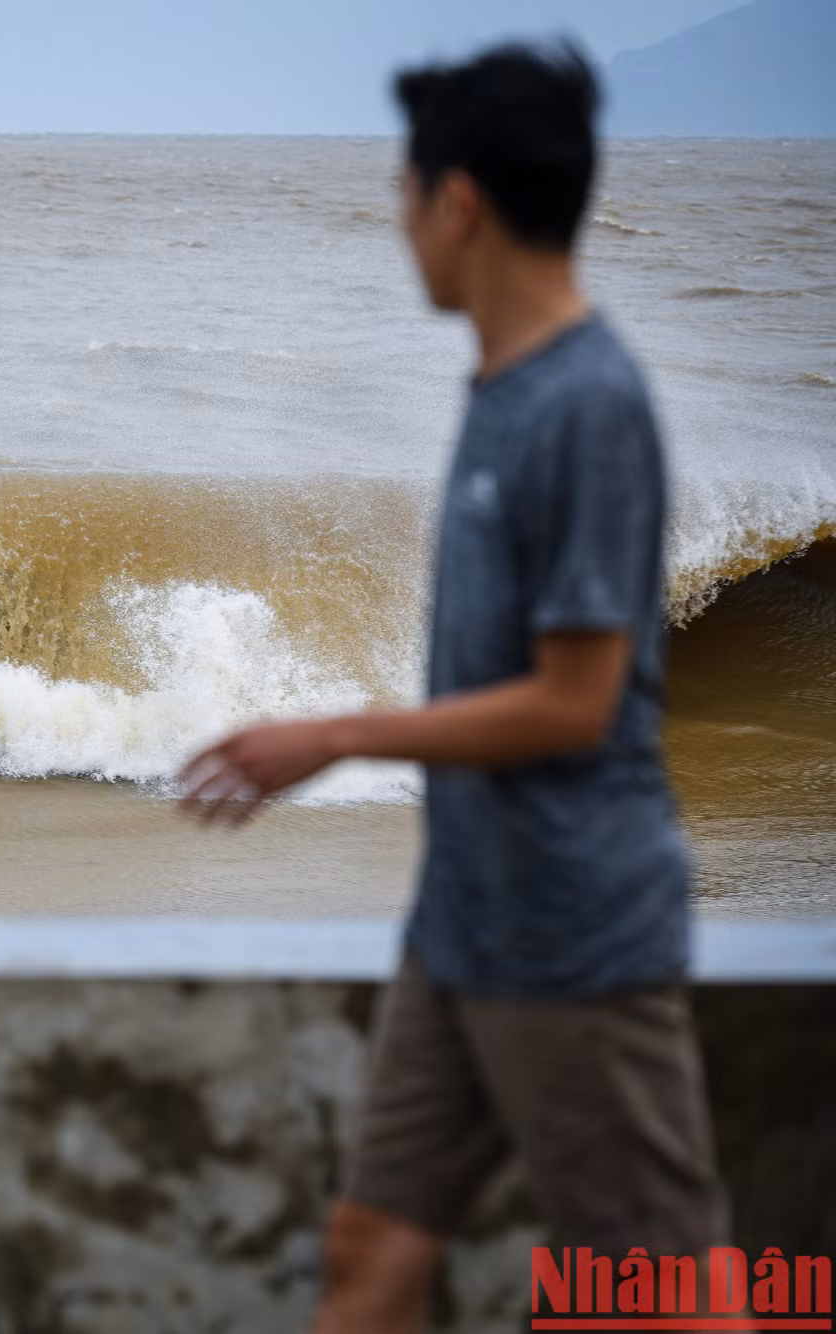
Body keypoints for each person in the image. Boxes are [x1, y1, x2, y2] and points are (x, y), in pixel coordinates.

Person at [176, 40, 728, 1333]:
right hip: (464, 915)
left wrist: (334, 733)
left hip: (571, 926)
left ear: (459, 202)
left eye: (403, 191)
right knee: (369, 1248)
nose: (398, 221)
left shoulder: (588, 405)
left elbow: (575, 702)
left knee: (667, 1298)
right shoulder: (501, 387)